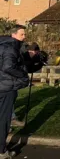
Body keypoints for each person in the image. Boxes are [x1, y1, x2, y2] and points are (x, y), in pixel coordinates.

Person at [0, 25, 29, 159]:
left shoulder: (3, 44)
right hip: (6, 88)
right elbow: (8, 67)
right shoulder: (11, 47)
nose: (24, 37)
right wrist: (23, 75)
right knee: (4, 120)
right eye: (22, 34)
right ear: (14, 35)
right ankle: (1, 151)